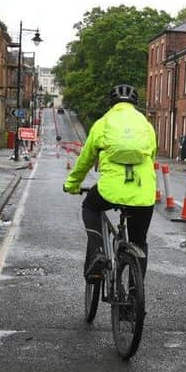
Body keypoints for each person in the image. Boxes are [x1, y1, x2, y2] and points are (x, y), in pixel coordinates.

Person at [63, 84, 157, 282]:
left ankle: (97, 251)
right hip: (143, 193)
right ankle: (135, 295)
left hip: (110, 190)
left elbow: (86, 159)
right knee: (139, 243)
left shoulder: (103, 123)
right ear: (135, 104)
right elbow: (152, 157)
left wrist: (72, 184)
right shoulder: (146, 125)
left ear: (111, 103)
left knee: (90, 206)